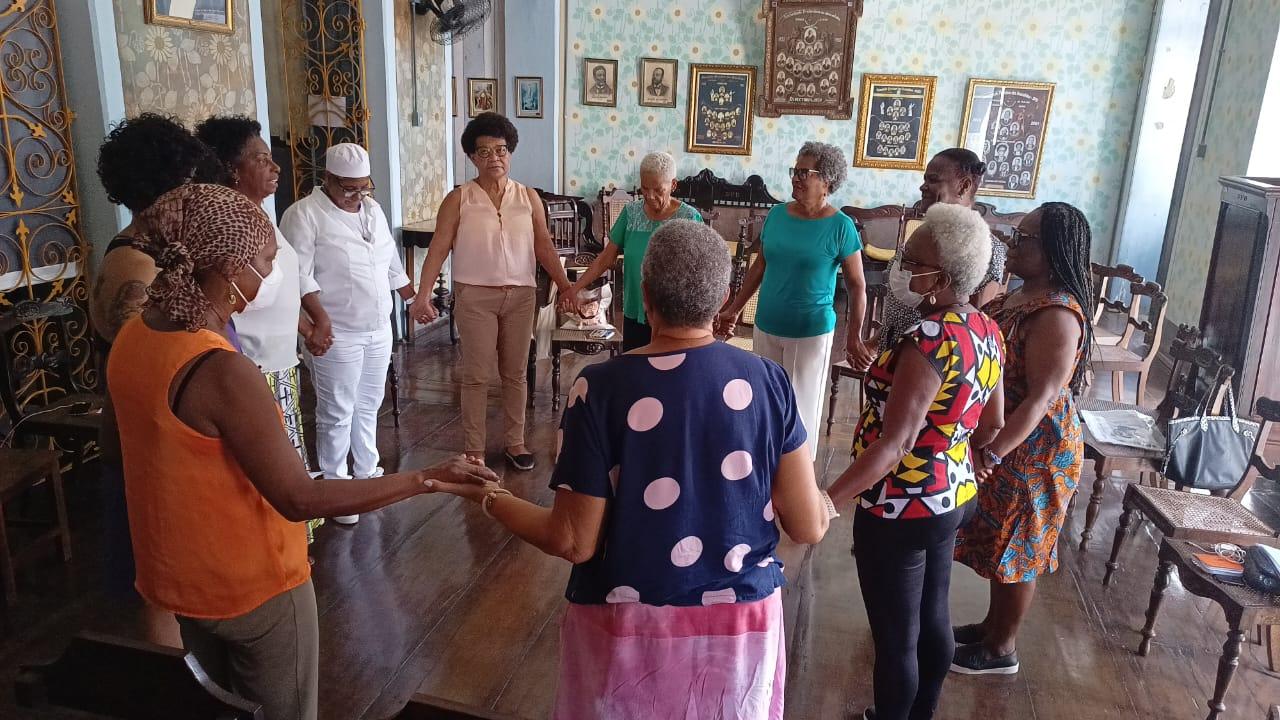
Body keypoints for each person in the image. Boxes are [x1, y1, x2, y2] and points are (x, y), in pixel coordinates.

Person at [105, 183, 495, 720]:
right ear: (226, 270)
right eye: (265, 263)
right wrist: (427, 478)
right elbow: (299, 497)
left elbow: (132, 453)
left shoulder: (134, 339)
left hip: (177, 580)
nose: (271, 277)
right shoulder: (220, 370)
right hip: (252, 590)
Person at [429, 220, 832, 718]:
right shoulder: (768, 381)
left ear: (644, 293)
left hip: (627, 621)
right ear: (725, 295)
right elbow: (809, 525)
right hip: (741, 620)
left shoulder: (599, 388)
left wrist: (489, 497)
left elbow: (574, 541)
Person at [825, 203, 1005, 720]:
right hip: (953, 496)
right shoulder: (986, 332)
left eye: (913, 260)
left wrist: (827, 500)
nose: (904, 267)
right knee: (933, 617)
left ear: (942, 276)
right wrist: (959, 454)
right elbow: (990, 423)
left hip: (901, 505)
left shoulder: (929, 340)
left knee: (896, 637)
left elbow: (896, 444)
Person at [952, 202, 1093, 676]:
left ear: (1052, 251)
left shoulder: (1057, 314)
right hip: (1006, 441)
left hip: (1035, 452)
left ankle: (1001, 650)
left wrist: (992, 452)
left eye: (1024, 239)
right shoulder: (1018, 294)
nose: (1011, 245)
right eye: (1014, 236)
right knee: (999, 542)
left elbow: (1040, 399)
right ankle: (992, 626)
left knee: (1019, 547)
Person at [91, 113, 222, 596]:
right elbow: (153, 365)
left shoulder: (156, 253)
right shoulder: (136, 265)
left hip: (158, 438)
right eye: (189, 186)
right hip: (143, 443)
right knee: (154, 586)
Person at [409, 113, 576, 471]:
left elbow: (544, 246)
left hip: (520, 296)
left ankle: (515, 442)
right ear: (472, 157)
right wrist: (422, 295)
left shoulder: (529, 197)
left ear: (510, 153)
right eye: (484, 152)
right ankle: (475, 450)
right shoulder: (460, 198)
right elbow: (438, 248)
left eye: (501, 150)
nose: (494, 158)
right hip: (475, 297)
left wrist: (566, 286)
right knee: (476, 375)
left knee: (516, 373)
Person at [196, 115, 331, 543]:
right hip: (250, 371)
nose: (275, 169)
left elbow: (275, 289)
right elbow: (227, 301)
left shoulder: (261, 219)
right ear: (232, 171)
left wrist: (308, 326)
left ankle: (288, 544)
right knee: (265, 477)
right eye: (262, 160)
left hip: (280, 365)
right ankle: (270, 548)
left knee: (286, 470)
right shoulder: (227, 231)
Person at [281, 143, 414, 525]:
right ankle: (337, 489)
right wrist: (317, 321)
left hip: (377, 328)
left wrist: (413, 297)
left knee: (369, 403)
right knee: (337, 410)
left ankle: (367, 473)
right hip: (336, 331)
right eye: (348, 188)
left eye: (363, 187)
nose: (357, 195)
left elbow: (388, 260)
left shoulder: (372, 210)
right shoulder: (304, 216)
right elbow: (298, 275)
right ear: (328, 180)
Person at [716, 141, 868, 460]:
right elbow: (760, 265)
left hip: (809, 332)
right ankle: (763, 465)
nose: (795, 178)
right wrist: (733, 309)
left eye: (804, 172)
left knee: (800, 411)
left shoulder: (841, 227)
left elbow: (857, 286)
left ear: (826, 180)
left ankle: (798, 483)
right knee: (764, 401)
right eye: (794, 171)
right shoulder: (776, 215)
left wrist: (853, 336)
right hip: (767, 324)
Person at [860, 148, 1009, 363]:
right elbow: (900, 308)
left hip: (934, 364)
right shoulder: (924, 236)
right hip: (894, 357)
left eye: (933, 180)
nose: (923, 186)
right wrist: (875, 343)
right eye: (924, 179)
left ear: (964, 186)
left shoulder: (987, 249)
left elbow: (972, 327)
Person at [560, 151, 701, 351]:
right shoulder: (632, 213)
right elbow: (605, 259)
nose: (650, 197)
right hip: (635, 311)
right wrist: (574, 289)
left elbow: (700, 272)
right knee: (635, 371)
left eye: (658, 190)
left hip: (673, 317)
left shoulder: (689, 218)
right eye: (645, 188)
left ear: (673, 185)